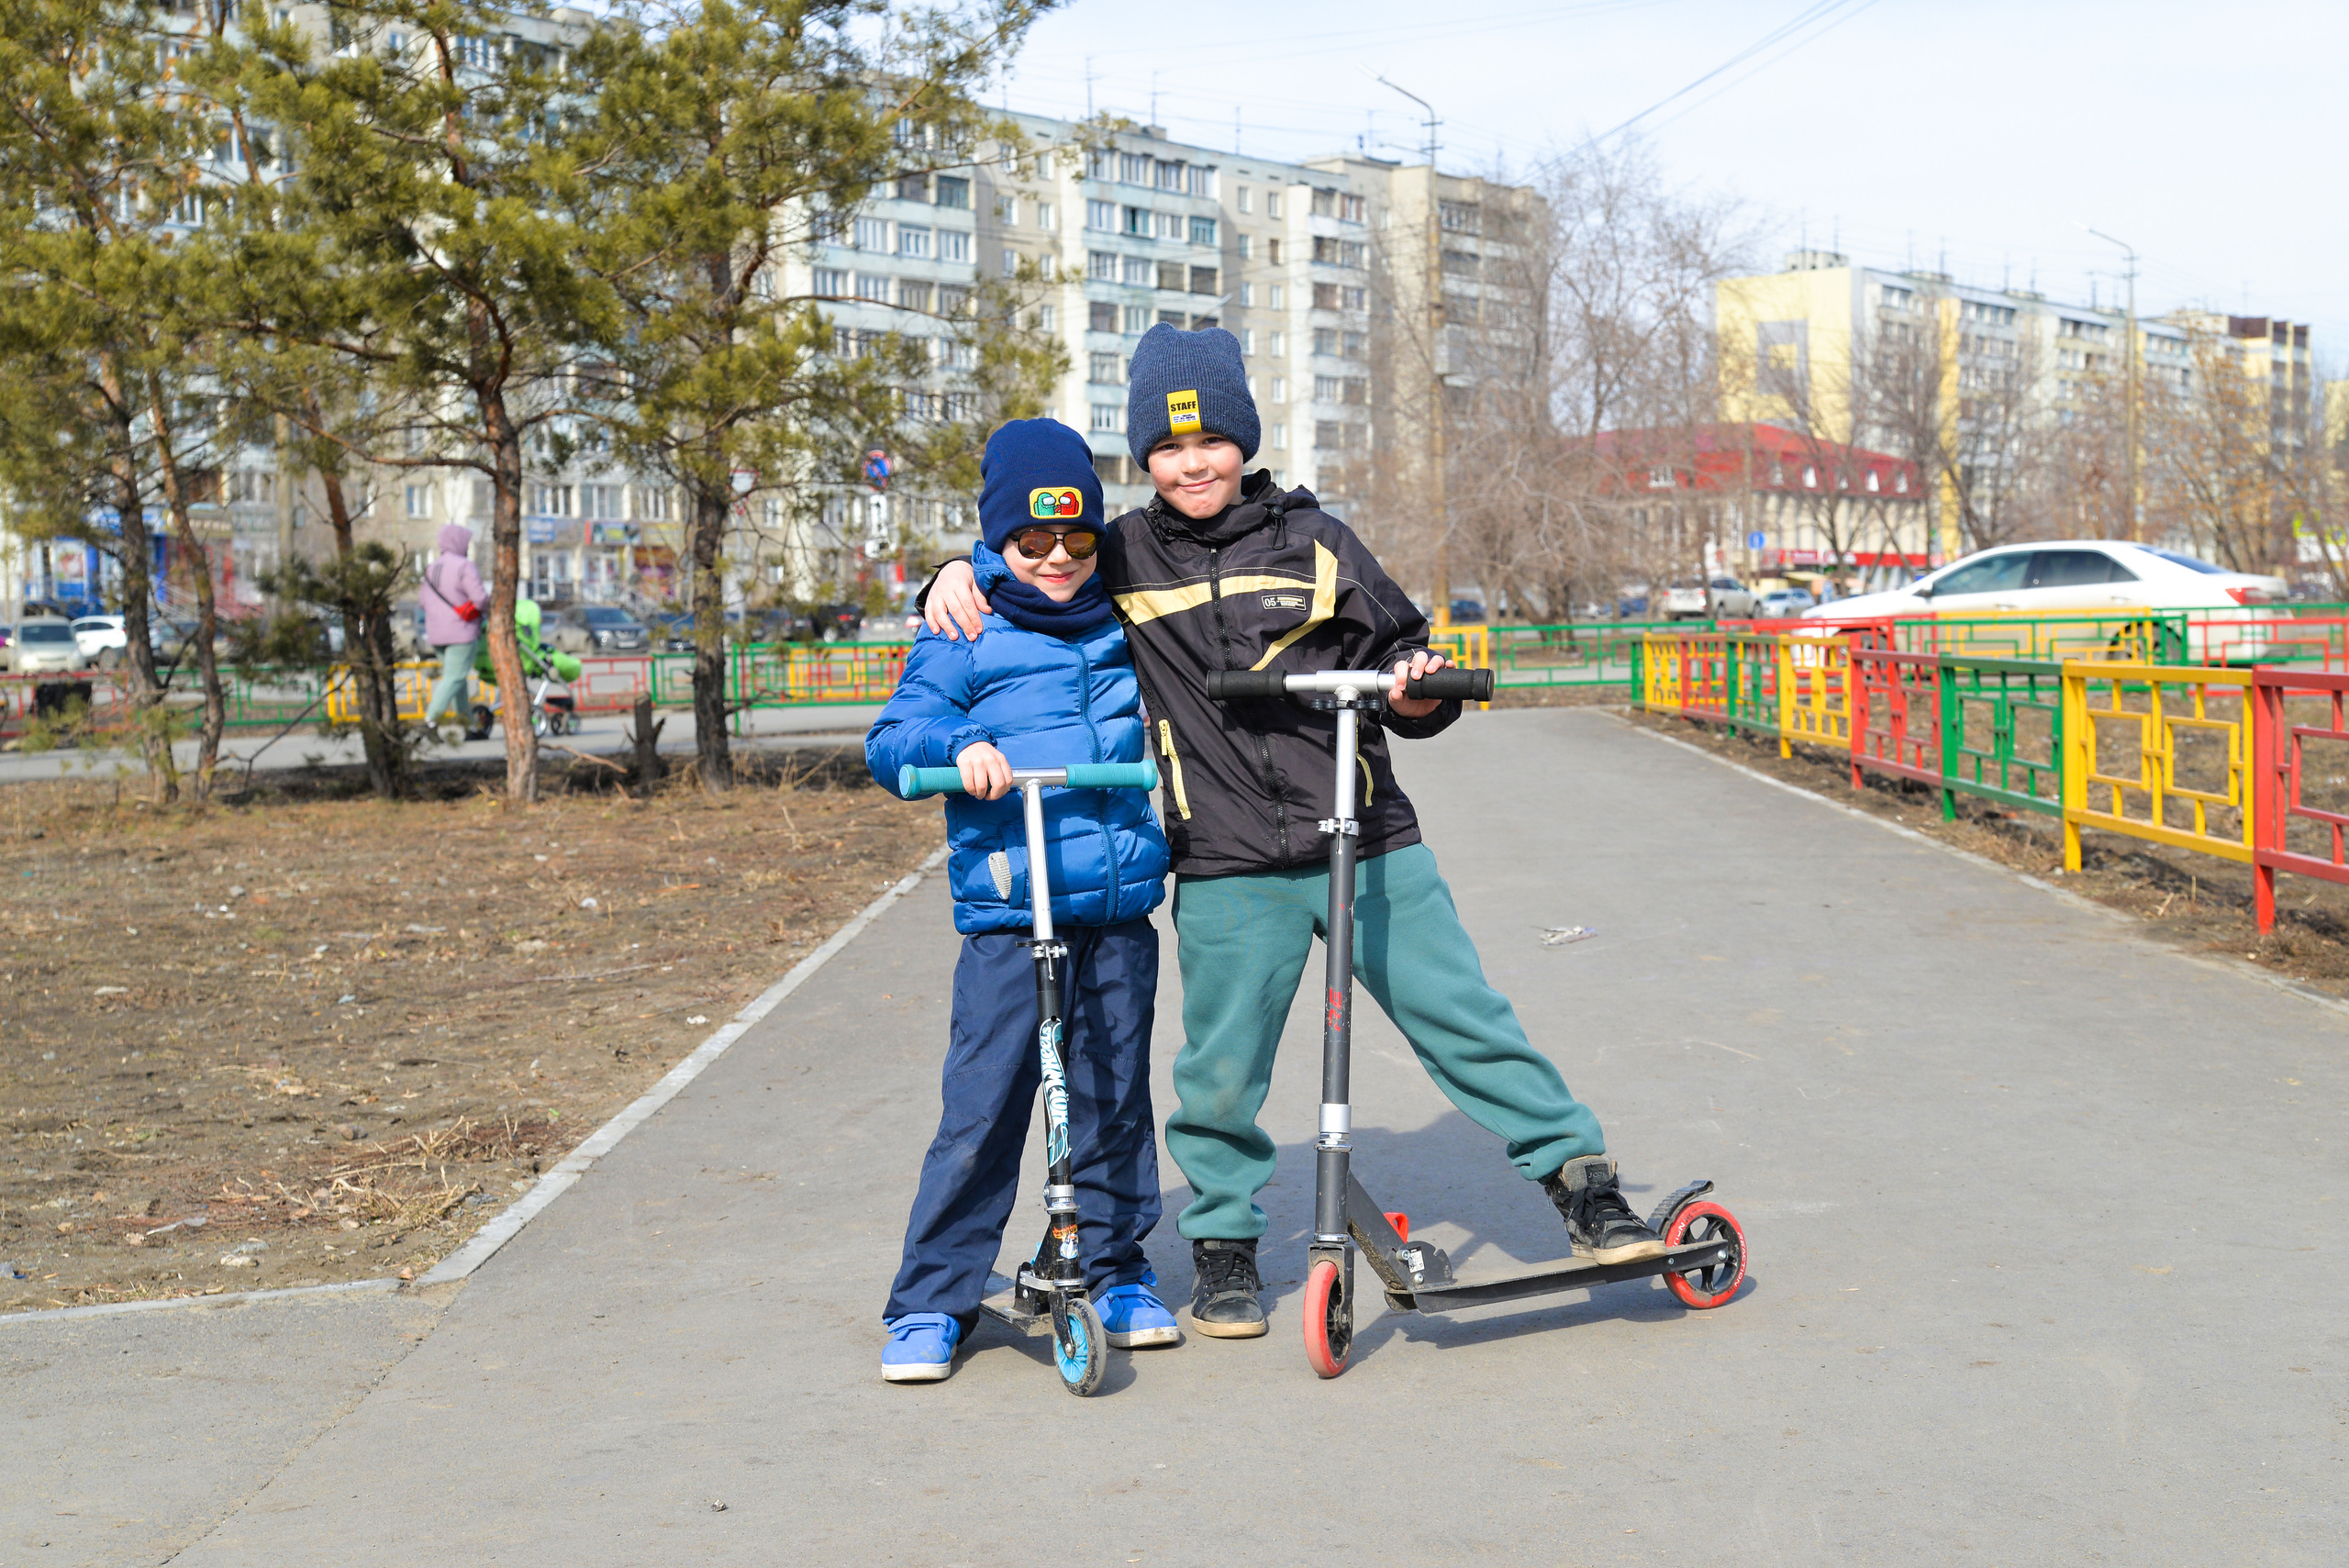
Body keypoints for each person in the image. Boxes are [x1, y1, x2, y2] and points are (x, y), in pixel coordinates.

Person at [922, 326, 1664, 1340]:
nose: (1194, 464)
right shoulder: (1127, 557)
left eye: (1213, 442)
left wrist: (1414, 691)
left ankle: (1585, 1188)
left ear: (1244, 442)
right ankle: (1224, 1244)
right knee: (1220, 1069)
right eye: (1171, 448)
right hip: (1227, 858)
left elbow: (1404, 651)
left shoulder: (1316, 542)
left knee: (1466, 1020)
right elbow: (1036, 562)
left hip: (1367, 839)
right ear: (1145, 458)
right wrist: (949, 571)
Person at [864, 418, 1178, 1384]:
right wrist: (953, 750)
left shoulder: (1127, 611)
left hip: (1115, 902)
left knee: (1113, 1096)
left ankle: (1114, 1264)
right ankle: (931, 1298)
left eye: (1076, 539)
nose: (1055, 558)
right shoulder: (962, 626)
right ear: (997, 541)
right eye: (1030, 541)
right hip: (1012, 908)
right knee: (985, 1106)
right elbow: (893, 734)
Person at [419, 523, 485, 734]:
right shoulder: (464, 565)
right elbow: (480, 599)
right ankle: (430, 721)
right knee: (454, 678)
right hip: (461, 631)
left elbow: (422, 601)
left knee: (457, 678)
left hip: (436, 633)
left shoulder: (431, 568)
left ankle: (466, 725)